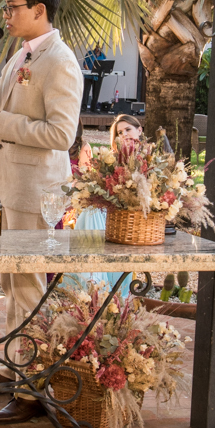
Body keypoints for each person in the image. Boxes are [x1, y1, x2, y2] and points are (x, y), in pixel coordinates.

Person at [0, 0, 84, 425]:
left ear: (39, 10)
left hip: (37, 193)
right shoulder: (21, 55)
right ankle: (17, 370)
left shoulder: (61, 61)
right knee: (12, 283)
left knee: (29, 284)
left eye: (13, 7)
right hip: (11, 184)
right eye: (6, 7)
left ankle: (34, 389)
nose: (6, 15)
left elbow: (61, 133)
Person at [66, 115, 142, 295]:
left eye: (128, 130)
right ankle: (93, 282)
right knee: (90, 213)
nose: (124, 135)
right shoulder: (112, 160)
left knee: (92, 215)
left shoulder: (149, 159)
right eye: (120, 132)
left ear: (139, 130)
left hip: (133, 218)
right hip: (109, 213)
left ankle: (94, 285)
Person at [81, 43, 106, 112]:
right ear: (96, 46)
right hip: (89, 76)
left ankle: (93, 108)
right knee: (86, 91)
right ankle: (84, 107)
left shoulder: (103, 56)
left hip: (97, 77)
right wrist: (89, 71)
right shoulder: (90, 53)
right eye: (98, 47)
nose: (99, 48)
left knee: (96, 92)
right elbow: (85, 63)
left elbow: (105, 65)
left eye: (101, 47)